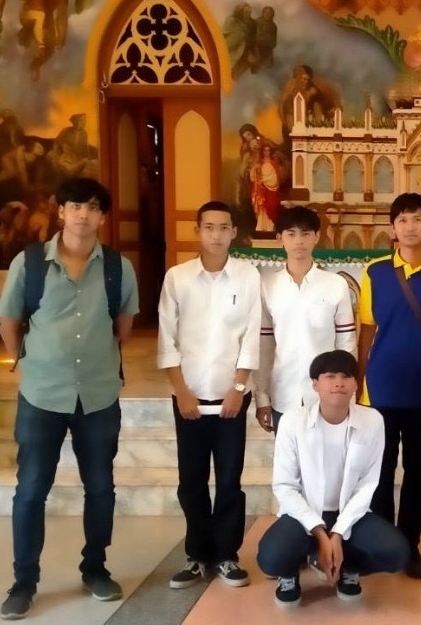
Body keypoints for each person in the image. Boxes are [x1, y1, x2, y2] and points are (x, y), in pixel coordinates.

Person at [0, 177, 139, 620]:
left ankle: (95, 568)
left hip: (97, 395)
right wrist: (26, 362)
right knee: (30, 490)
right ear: (60, 211)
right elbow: (9, 320)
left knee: (100, 487)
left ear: (102, 216)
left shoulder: (117, 267)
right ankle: (24, 582)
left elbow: (123, 324)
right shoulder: (30, 263)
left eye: (93, 207)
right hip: (42, 395)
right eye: (75, 205)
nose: (83, 214)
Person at [157, 200, 261, 591]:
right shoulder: (178, 278)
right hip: (189, 397)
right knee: (192, 480)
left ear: (234, 232)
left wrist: (239, 388)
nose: (216, 235)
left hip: (231, 396)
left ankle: (226, 555)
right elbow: (166, 338)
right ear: (198, 231)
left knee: (230, 480)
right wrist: (181, 392)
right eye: (209, 227)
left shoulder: (247, 275)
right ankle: (197, 555)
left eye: (223, 228)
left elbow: (252, 334)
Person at [357, 192, 421, 579]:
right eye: (402, 219)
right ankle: (384, 546)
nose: (410, 226)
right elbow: (367, 331)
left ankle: (410, 546)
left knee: (418, 473)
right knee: (380, 473)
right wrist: (358, 381)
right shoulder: (375, 272)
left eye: (417, 219)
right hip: (381, 388)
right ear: (392, 227)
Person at [256, 350, 409, 608]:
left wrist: (337, 533)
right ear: (315, 384)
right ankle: (290, 573)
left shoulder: (372, 421)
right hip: (303, 514)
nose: (338, 383)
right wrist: (319, 531)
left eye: (346, 376)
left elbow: (367, 485)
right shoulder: (293, 421)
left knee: (396, 553)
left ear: (356, 384)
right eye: (330, 376)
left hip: (349, 513)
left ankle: (349, 567)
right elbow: (285, 486)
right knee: (271, 558)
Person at [255, 206, 357, 434]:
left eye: (306, 233)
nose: (299, 241)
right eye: (291, 234)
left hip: (328, 394)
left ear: (317, 237)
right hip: (283, 392)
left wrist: (348, 392)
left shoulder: (335, 284)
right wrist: (262, 395)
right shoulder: (268, 286)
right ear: (279, 238)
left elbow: (346, 342)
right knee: (287, 456)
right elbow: (264, 345)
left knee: (329, 455)